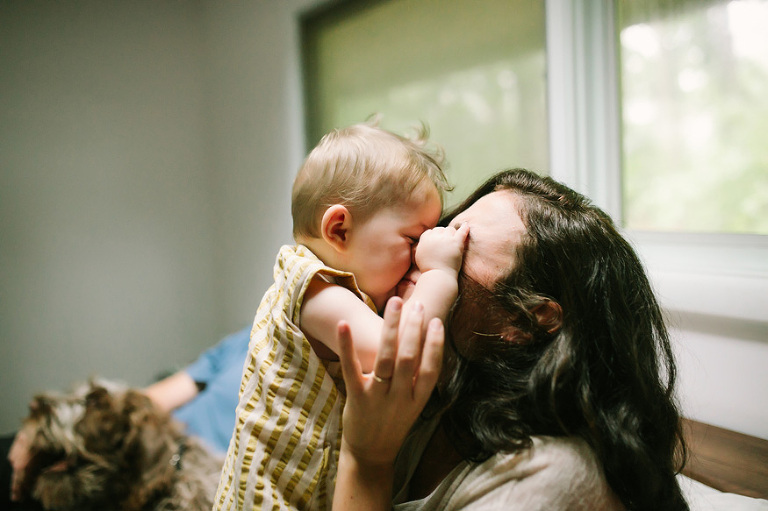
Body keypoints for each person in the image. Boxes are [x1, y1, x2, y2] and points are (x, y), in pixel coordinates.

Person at [332, 169, 689, 510]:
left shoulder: (548, 477)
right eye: (438, 231)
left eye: (457, 244)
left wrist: (365, 461)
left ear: (524, 320)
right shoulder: (436, 401)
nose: (425, 246)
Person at [213, 123, 469, 511]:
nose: (419, 254)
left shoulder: (344, 293)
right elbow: (399, 354)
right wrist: (439, 275)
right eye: (413, 239)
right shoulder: (313, 290)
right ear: (339, 229)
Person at [2, 326, 251, 510]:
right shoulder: (256, 334)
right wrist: (39, 430)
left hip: (200, 485)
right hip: (140, 449)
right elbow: (146, 403)